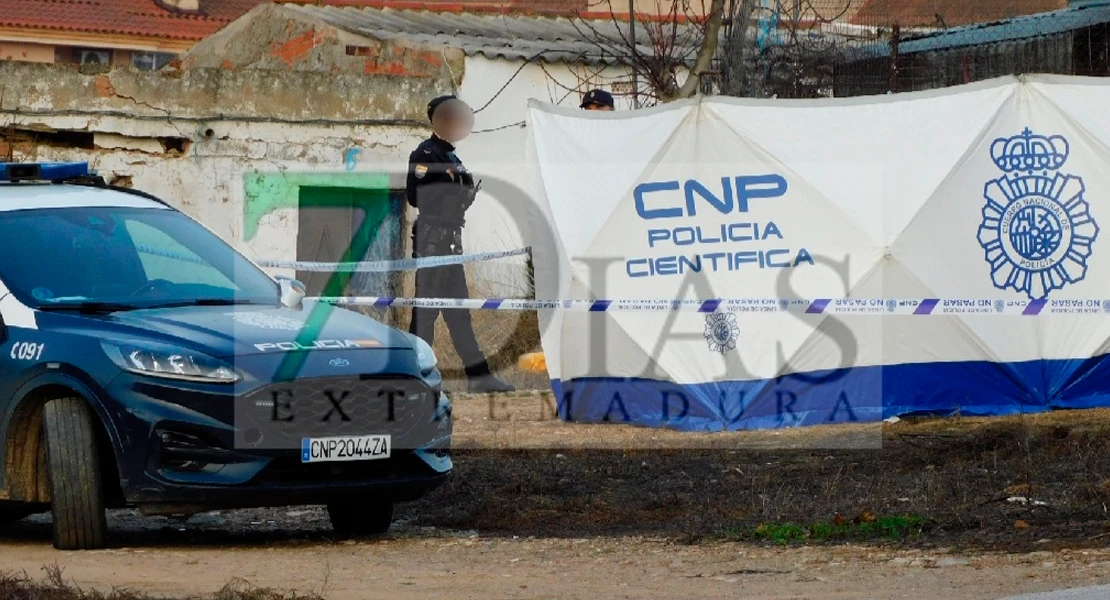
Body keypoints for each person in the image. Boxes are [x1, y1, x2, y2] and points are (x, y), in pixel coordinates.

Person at [406, 95, 516, 393]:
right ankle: (412, 376)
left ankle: (479, 377)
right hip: (432, 240)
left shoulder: (453, 157)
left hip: (452, 239)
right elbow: (415, 197)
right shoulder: (425, 153)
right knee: (426, 313)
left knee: (459, 311)